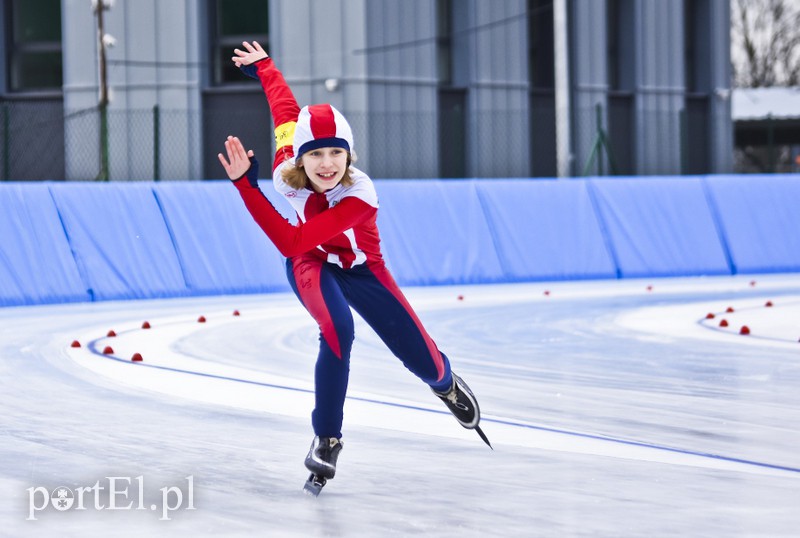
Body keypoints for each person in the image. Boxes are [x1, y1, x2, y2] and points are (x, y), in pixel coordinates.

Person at [217, 41, 489, 489]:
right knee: (338, 330)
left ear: (350, 155)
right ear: (299, 156)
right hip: (309, 261)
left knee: (424, 362)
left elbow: (289, 233)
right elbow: (284, 108)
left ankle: (445, 384)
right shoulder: (288, 162)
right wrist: (264, 67)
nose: (327, 165)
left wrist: (247, 187)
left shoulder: (359, 194)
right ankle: (327, 438)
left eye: (337, 154)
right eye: (317, 154)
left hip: (364, 270)